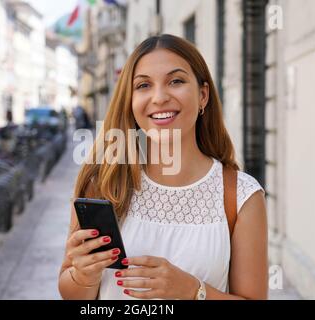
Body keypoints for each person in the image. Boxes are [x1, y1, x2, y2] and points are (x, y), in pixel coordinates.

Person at [58, 34, 268, 300]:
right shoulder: (104, 182)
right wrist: (82, 276)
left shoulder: (240, 196)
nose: (159, 97)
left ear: (203, 95)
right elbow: (71, 293)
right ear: (130, 101)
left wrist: (193, 291)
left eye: (176, 81)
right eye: (144, 85)